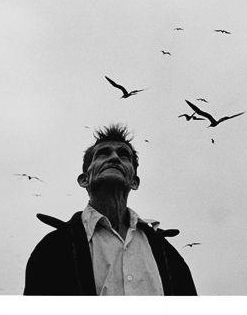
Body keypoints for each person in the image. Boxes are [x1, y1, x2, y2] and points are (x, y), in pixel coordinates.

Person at [24, 124, 197, 295]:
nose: (114, 158)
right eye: (103, 153)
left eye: (123, 155)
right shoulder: (54, 249)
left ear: (134, 182)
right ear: (84, 180)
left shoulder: (167, 254)